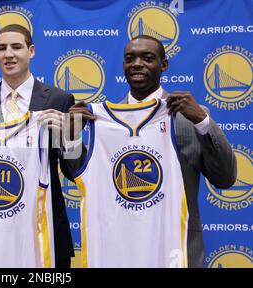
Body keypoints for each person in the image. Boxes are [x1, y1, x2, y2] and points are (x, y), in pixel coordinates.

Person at [70, 35, 237, 268]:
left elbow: (226, 178)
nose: (137, 64)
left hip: (176, 252)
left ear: (164, 65)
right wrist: (68, 139)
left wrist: (202, 121)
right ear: (123, 66)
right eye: (130, 59)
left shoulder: (189, 116)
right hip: (118, 250)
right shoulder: (101, 120)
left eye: (148, 58)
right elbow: (77, 174)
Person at [0, 24, 85, 268]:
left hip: (45, 227)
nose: (8, 54)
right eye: (1, 48)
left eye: (16, 47)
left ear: (31, 51)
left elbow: (74, 168)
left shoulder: (60, 99)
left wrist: (69, 135)